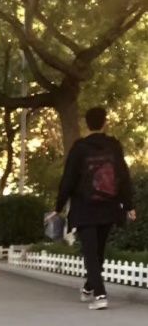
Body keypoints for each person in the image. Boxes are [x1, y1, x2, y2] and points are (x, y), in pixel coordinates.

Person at [51, 106, 136, 310]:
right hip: (109, 207)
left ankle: (99, 294)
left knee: (91, 253)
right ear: (105, 123)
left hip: (85, 208)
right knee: (98, 253)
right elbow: (123, 175)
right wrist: (129, 205)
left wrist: (59, 206)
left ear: (86, 124)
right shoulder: (114, 146)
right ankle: (90, 288)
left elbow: (68, 179)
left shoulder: (79, 148)